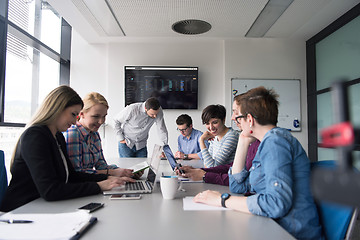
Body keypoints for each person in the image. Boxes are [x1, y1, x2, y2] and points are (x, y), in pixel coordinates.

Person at [194, 87, 322, 239]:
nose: (233, 119)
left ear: (250, 119)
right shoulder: (263, 143)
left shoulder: (276, 142)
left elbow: (276, 204)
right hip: (270, 226)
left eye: (237, 116)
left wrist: (221, 200)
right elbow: (238, 186)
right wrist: (242, 141)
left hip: (290, 233)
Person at [0, 86, 134, 212]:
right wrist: (100, 186)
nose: (75, 121)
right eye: (73, 114)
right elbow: (50, 190)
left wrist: (108, 179)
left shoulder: (57, 136)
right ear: (57, 109)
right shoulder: (35, 136)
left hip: (42, 206)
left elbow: (72, 176)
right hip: (22, 209)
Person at [177, 95, 260, 185]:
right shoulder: (215, 137)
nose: (211, 127)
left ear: (223, 120)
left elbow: (212, 166)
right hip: (218, 179)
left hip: (224, 182)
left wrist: (201, 141)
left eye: (215, 122)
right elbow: (207, 164)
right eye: (207, 123)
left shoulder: (232, 137)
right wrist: (195, 170)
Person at [64, 92, 133, 177]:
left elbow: (101, 166)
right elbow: (77, 173)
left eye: (104, 116)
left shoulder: (94, 134)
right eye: (96, 116)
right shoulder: (73, 133)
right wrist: (112, 173)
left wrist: (124, 172)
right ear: (81, 114)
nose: (101, 121)